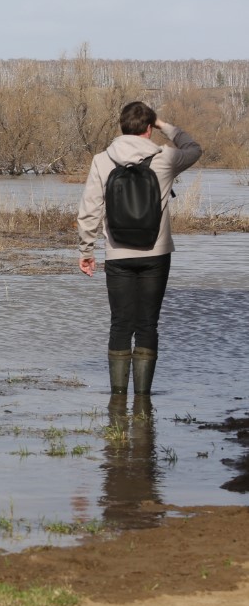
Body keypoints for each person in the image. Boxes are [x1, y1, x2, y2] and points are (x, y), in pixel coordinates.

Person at [78, 101, 202, 395]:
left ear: (122, 127)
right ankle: (144, 400)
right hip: (156, 253)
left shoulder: (102, 160)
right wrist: (164, 124)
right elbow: (195, 147)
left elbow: (89, 210)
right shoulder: (166, 157)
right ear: (148, 128)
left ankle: (117, 399)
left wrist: (86, 251)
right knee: (148, 324)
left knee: (120, 323)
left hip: (117, 254)